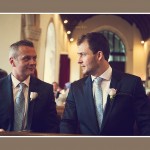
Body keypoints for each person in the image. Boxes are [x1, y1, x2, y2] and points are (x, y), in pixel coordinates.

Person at [60, 32, 150, 136]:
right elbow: (67, 123)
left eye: (83, 55)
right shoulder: (76, 88)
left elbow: (145, 123)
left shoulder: (131, 84)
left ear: (99, 55)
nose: (79, 61)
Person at [0, 40, 59, 133]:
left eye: (34, 58)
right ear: (12, 62)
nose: (33, 62)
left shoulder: (45, 90)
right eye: (26, 58)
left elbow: (52, 126)